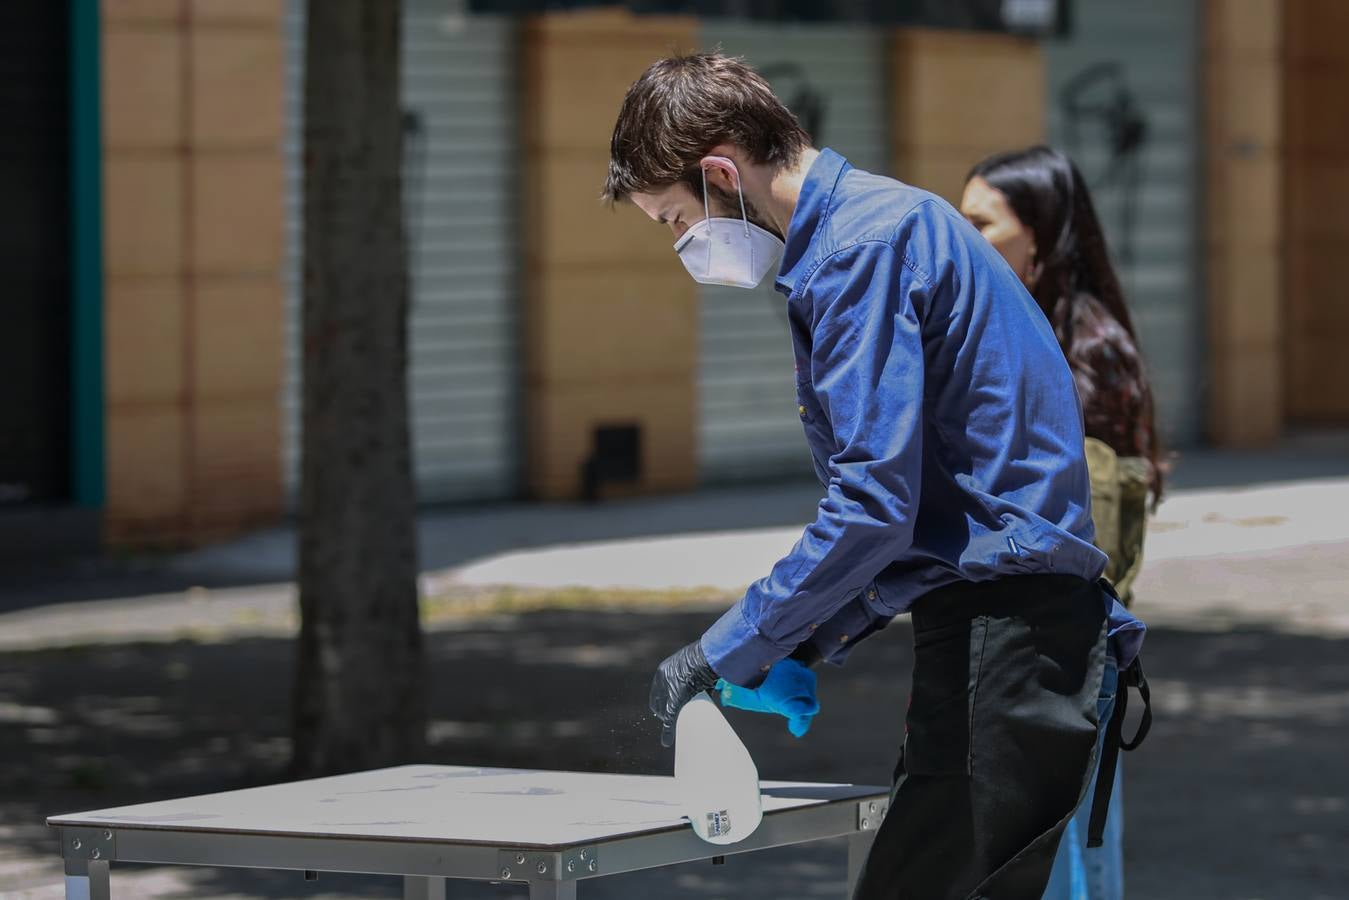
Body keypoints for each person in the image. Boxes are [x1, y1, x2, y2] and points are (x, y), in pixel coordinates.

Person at [606, 54, 1148, 899]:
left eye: (674, 218)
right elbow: (937, 505)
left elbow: (872, 504)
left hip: (1003, 637)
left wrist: (726, 647)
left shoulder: (855, 251)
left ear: (718, 170)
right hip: (1022, 636)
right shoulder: (886, 221)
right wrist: (805, 639)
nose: (682, 244)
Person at [961, 146, 1165, 899]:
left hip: (1066, 655)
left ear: (1039, 236)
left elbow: (1094, 531)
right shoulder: (1018, 329)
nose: (963, 237)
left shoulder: (1083, 348)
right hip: (1035, 652)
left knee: (1065, 864)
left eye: (981, 223)